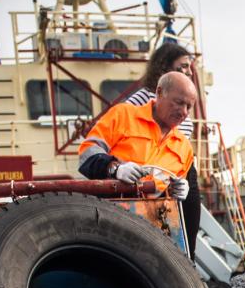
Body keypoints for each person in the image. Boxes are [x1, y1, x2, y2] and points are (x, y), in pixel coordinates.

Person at [124, 42, 205, 258]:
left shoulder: (184, 101)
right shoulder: (145, 97)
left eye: (190, 67)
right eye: (183, 66)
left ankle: (188, 265)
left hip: (183, 167)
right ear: (164, 67)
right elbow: (127, 120)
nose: (189, 71)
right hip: (155, 164)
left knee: (189, 223)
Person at [78, 71, 197, 202]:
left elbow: (171, 199)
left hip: (155, 219)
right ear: (159, 92)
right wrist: (115, 168)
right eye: (179, 102)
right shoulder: (122, 115)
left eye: (189, 107)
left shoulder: (185, 148)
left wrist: (175, 190)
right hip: (110, 212)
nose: (184, 112)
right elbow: (87, 153)